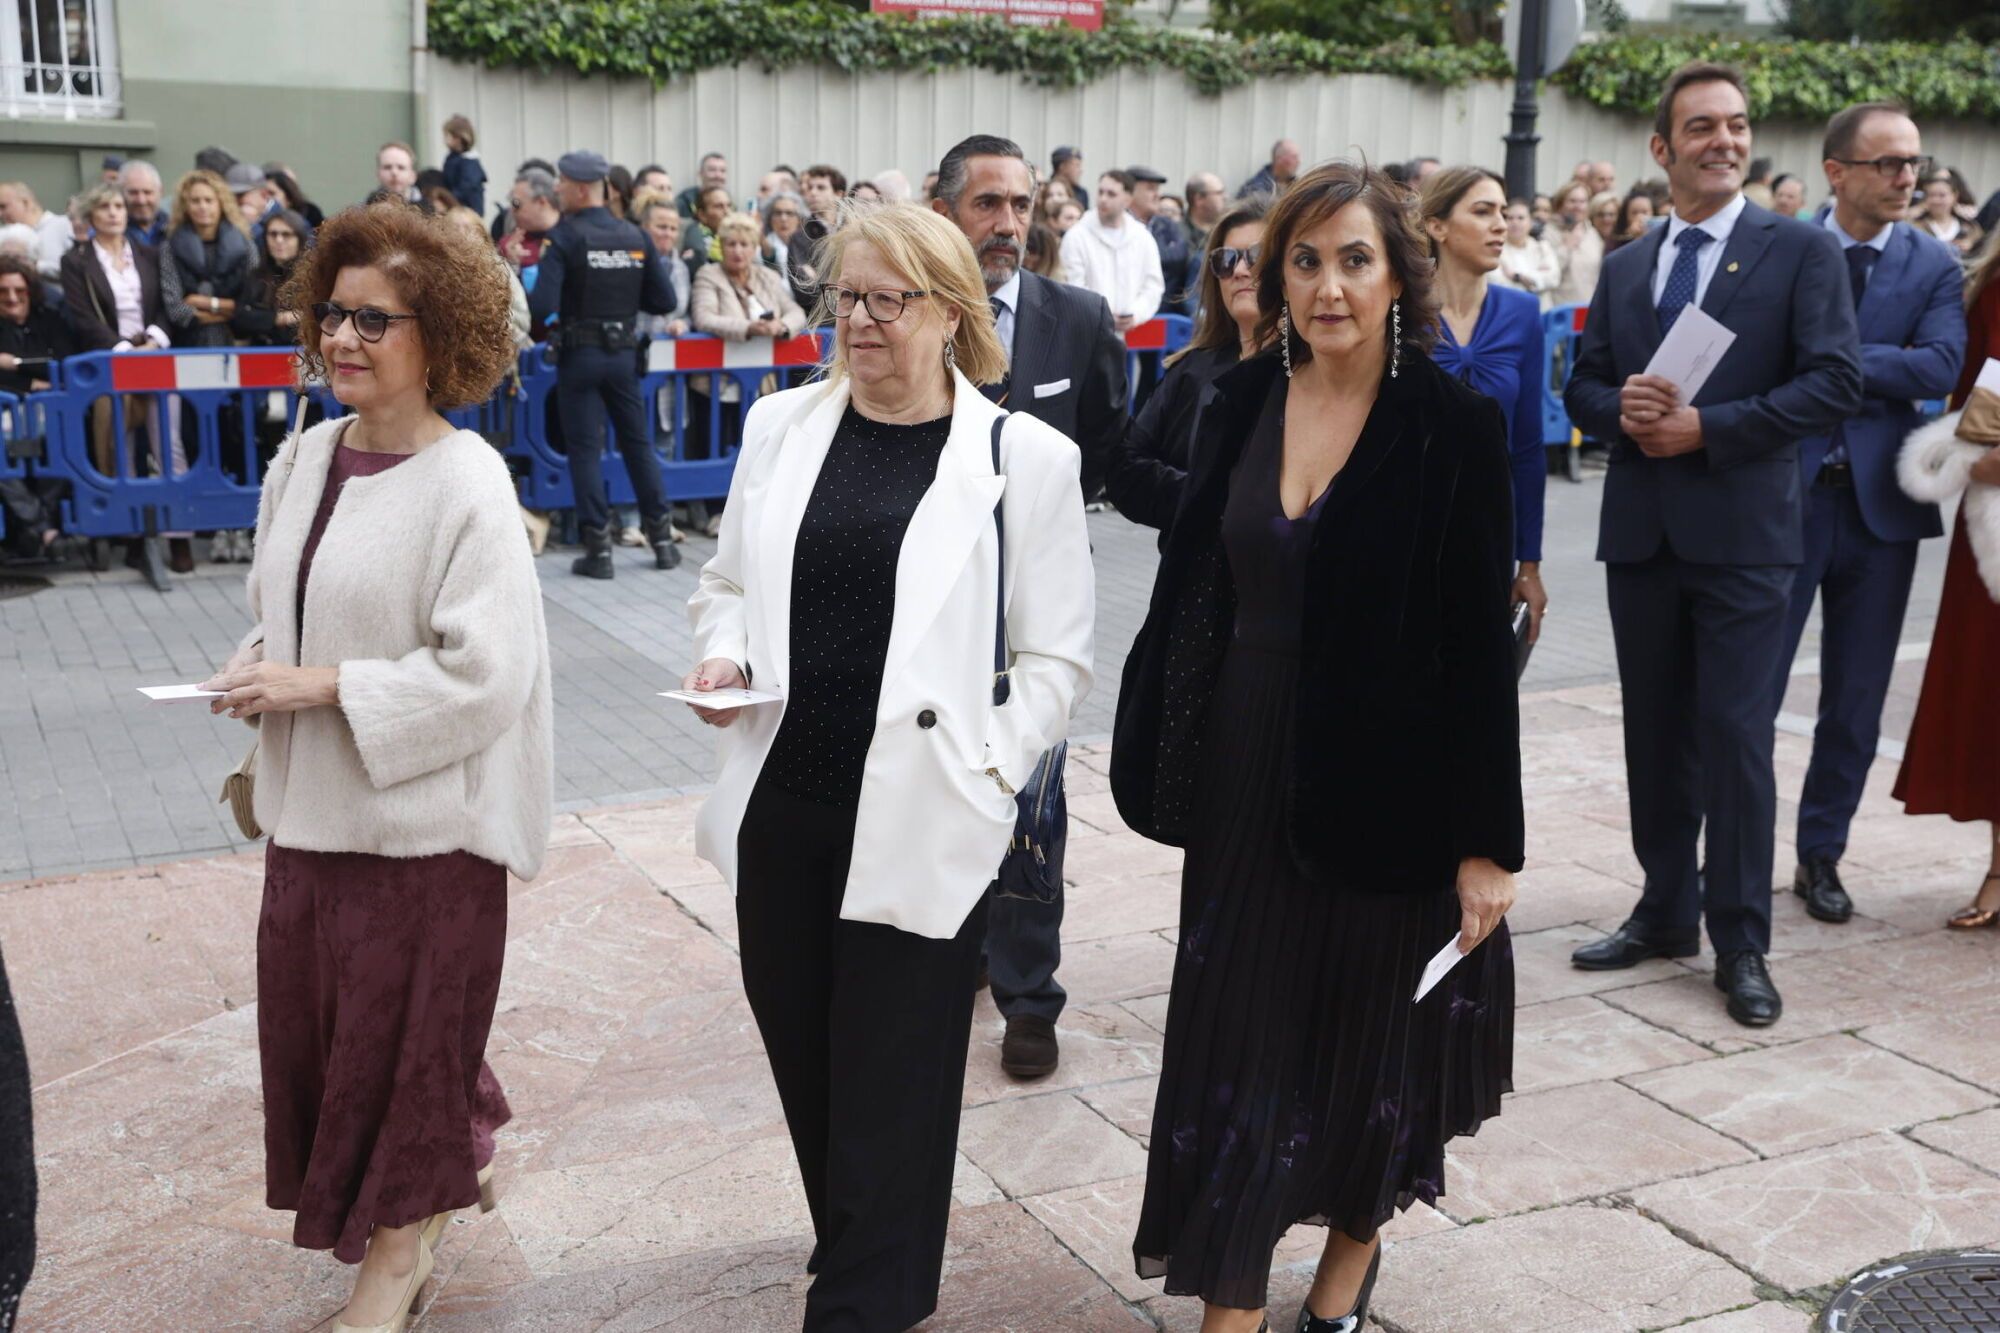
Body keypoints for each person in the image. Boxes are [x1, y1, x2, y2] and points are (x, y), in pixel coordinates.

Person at [1114, 158, 1519, 1333]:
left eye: (1353, 258)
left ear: (1399, 272)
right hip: (1244, 763)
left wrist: (1487, 842)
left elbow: (1472, 652)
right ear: (1269, 277)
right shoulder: (1233, 401)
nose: (1327, 285)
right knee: (1237, 1041)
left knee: (1368, 1049)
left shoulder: (1454, 423)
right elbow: (1190, 582)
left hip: (1390, 788)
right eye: (1303, 260)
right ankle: (1230, 1299)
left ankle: (1344, 1272)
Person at [680, 201, 1093, 1332]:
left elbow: (1054, 657)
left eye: (885, 301)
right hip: (782, 809)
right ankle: (861, 1253)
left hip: (921, 814)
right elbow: (722, 583)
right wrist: (722, 659)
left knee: (892, 1093)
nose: (856, 323)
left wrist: (989, 771)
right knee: (813, 1076)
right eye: (843, 298)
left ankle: (863, 1301)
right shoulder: (779, 430)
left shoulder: (1022, 460)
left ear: (951, 314)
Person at [197, 201, 545, 1333]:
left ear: (438, 337)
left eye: (371, 321)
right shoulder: (304, 453)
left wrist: (326, 685)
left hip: (422, 838)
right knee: (331, 1046)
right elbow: (281, 604)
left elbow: (488, 678)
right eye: (330, 316)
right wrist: (260, 663)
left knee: (400, 1056)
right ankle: (450, 1152)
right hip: (310, 819)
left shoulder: (469, 483)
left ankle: (397, 1254)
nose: (341, 340)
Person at [1564, 61, 1863, 1027]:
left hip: (1745, 537)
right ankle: (1664, 909)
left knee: (1735, 739)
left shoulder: (1799, 252)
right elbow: (1584, 386)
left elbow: (1834, 383)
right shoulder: (1624, 265)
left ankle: (1740, 940)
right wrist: (1624, 409)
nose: (1723, 141)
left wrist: (1711, 428)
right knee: (1654, 733)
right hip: (1643, 537)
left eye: (1735, 125)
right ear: (1663, 149)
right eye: (1701, 128)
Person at [931, 133, 1127, 1077]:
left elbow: (1113, 450)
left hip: (1034, 622)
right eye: (988, 205)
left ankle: (1028, 997)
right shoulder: (903, 317)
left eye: (1022, 205)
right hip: (928, 609)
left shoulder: (1078, 319)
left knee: (1032, 807)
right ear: (945, 215)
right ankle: (957, 953)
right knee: (935, 783)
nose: (1009, 223)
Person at [1775, 104, 1965, 923]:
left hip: (1880, 513)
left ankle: (1822, 855)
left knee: (1853, 701)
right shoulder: (1778, 250)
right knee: (1746, 691)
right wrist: (1875, 370)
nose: (1906, 178)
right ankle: (1733, 856)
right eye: (1887, 163)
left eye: (1913, 164)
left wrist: (1827, 362)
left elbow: (1942, 362)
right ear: (1837, 171)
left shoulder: (1934, 264)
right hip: (1779, 502)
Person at [1894, 239, 2000, 928]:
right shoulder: (1990, 290)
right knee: (1994, 692)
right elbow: (1967, 399)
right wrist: (1973, 457)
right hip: (1995, 521)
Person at [530, 150, 682, 577]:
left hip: (579, 356)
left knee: (585, 450)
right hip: (623, 356)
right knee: (638, 445)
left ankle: (598, 553)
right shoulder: (634, 236)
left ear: (581, 189)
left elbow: (541, 306)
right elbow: (665, 300)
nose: (556, 189)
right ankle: (664, 543)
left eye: (560, 183)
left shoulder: (564, 237)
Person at [1423, 166, 1551, 644]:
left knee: (1476, 693)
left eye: (1503, 212)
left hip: (1487, 536)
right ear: (1437, 226)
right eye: (1482, 212)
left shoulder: (1522, 315)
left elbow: (1529, 448)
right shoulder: (1396, 315)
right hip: (1404, 531)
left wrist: (1530, 562)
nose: (1502, 224)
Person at [1104, 194, 1267, 535]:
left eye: (1257, 256)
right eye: (1225, 260)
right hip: (1188, 574)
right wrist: (1212, 500)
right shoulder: (1193, 369)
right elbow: (1125, 470)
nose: (1239, 271)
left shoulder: (1313, 373)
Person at [687, 210, 809, 534]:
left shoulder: (766, 276)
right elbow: (704, 318)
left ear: (755, 247)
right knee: (718, 442)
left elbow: (796, 310)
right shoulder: (707, 275)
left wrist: (783, 327)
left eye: (744, 244)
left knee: (757, 446)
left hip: (761, 383)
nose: (738, 251)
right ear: (721, 247)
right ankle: (716, 512)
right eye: (731, 244)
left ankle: (755, 514)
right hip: (717, 384)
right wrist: (749, 328)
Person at [160, 168, 256, 349]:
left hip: (238, 345)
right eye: (195, 201)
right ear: (185, 206)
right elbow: (176, 310)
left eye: (209, 200)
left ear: (221, 203)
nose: (202, 207)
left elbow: (253, 306)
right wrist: (230, 311)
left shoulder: (246, 246)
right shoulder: (169, 247)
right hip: (186, 346)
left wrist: (201, 302)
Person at [1060, 171, 1165, 336]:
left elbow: (1153, 285)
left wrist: (1135, 314)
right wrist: (1102, 316)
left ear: (1128, 199)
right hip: (1083, 332)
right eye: (1100, 192)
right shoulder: (1076, 236)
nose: (1103, 199)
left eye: (1111, 194)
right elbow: (1072, 286)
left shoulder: (1142, 237)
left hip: (1127, 337)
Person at [1130, 165, 1194, 317]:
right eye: (1150, 189)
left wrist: (1141, 256)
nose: (1157, 195)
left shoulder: (1167, 225)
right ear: (1130, 191)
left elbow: (1180, 255)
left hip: (1164, 312)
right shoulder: (1117, 223)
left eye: (1157, 190)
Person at [632, 193, 691, 336]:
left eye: (673, 229)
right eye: (662, 227)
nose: (668, 234)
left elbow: (685, 314)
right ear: (644, 228)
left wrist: (682, 324)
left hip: (667, 353)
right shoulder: (631, 262)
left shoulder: (681, 268)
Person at [1548, 178, 1603, 308]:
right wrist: (1566, 247)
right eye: (1572, 201)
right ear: (1560, 205)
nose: (1577, 206)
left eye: (1582, 202)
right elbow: (1548, 273)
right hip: (1560, 310)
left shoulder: (1593, 234)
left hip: (1589, 309)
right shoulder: (1549, 233)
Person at [0, 183, 72, 281]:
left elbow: (76, 268)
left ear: (25, 203)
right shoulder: (8, 235)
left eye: (3, 207)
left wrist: (32, 266)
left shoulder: (63, 225)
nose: (0, 214)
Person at [1499, 195, 1562, 305]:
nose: (1515, 223)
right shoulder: (1497, 249)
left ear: (1530, 222)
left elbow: (1554, 278)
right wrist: (1537, 277)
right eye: (1510, 218)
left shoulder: (1542, 247)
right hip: (1512, 311)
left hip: (1542, 313)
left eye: (1521, 218)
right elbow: (1501, 285)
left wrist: (1516, 276)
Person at [759, 190, 816, 310]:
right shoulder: (760, 249)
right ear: (770, 218)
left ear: (800, 219)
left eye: (790, 213)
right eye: (778, 213)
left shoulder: (812, 248)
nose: (783, 218)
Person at [499, 168, 558, 281]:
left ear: (541, 202)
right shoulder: (509, 244)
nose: (511, 210)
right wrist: (512, 264)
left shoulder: (572, 237)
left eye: (516, 204)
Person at [1914, 169, 1982, 256]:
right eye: (1931, 195)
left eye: (1942, 195)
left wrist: (1971, 247)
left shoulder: (1971, 229)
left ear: (1955, 196)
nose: (1936, 200)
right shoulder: (1915, 227)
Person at [441, 114, 486, 219]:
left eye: (447, 135)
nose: (444, 139)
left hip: (469, 211)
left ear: (458, 138)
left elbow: (466, 188)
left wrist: (448, 199)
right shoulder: (452, 158)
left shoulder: (469, 162)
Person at [119, 160, 166, 248]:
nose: (141, 201)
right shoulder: (108, 234)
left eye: (147, 192)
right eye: (133, 193)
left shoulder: (176, 231)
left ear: (161, 192)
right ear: (120, 193)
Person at [686, 184, 732, 273]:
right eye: (719, 206)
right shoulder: (695, 235)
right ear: (702, 215)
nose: (727, 212)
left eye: (729, 205)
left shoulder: (738, 233)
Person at [676, 151, 729, 222]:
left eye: (722, 171)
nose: (718, 175)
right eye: (712, 170)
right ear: (700, 174)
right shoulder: (684, 202)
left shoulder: (730, 203)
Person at [1184, 172, 1228, 253]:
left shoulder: (1228, 229)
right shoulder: (1179, 235)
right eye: (1219, 193)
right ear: (1199, 199)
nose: (1225, 197)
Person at [800, 164, 846, 229]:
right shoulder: (802, 231)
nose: (813, 192)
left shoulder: (853, 226)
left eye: (821, 188)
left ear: (838, 195)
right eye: (810, 188)